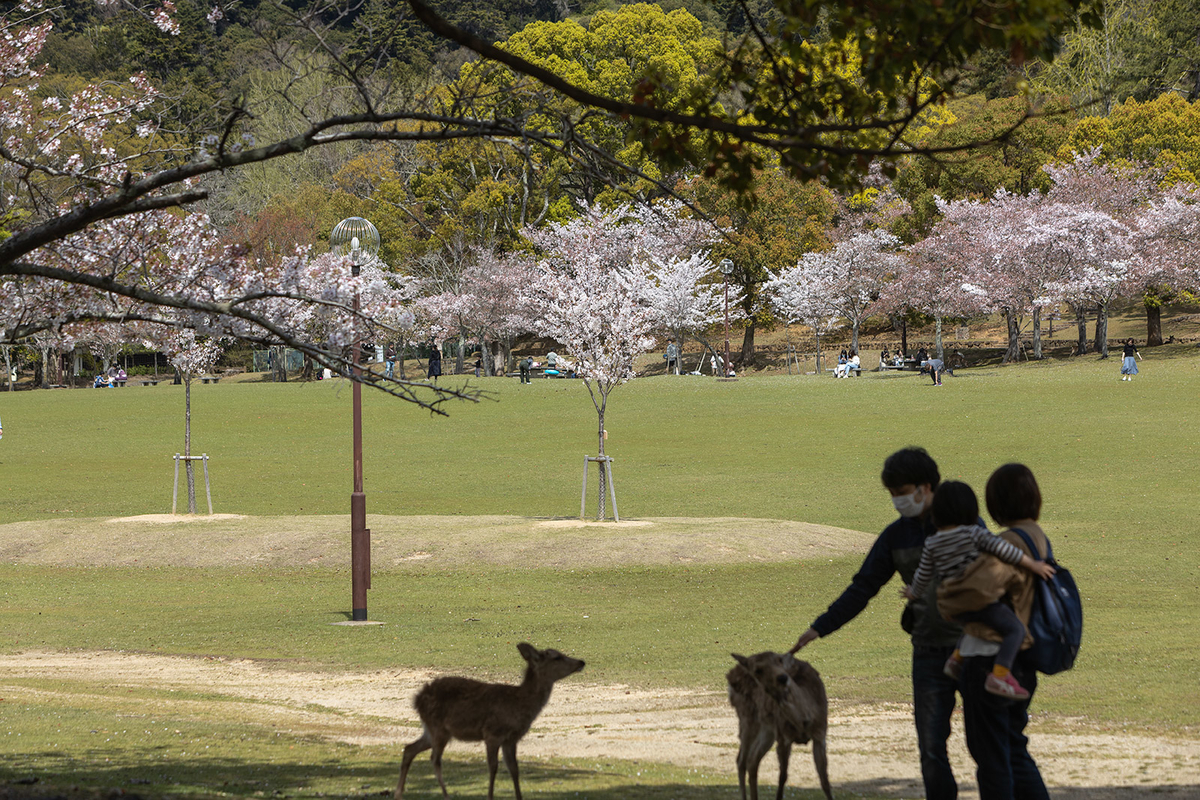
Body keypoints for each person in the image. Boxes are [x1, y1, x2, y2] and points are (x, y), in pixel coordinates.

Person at [791, 447, 965, 800]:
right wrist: (821, 626)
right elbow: (864, 586)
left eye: (902, 493)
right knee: (931, 748)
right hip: (928, 651)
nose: (898, 501)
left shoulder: (964, 523)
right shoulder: (895, 537)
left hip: (976, 647)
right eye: (893, 495)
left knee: (989, 744)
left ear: (926, 487)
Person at [902, 481, 1056, 701]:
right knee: (1015, 630)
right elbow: (1005, 550)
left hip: (953, 606)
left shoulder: (932, 543)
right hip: (976, 599)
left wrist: (913, 593)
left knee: (971, 624)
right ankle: (1000, 675)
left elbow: (923, 575)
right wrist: (1033, 565)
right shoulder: (974, 533)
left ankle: (956, 659)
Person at [958, 463, 1056, 800]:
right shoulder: (1039, 539)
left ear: (996, 504)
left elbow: (974, 591)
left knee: (991, 757)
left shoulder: (1008, 544)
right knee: (1013, 747)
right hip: (1024, 659)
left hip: (992, 660)